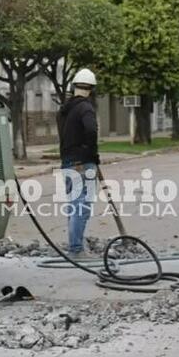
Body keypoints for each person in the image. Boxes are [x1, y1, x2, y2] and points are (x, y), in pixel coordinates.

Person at [57, 68, 99, 258]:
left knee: (74, 205)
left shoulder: (63, 111)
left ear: (74, 87)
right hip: (83, 163)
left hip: (67, 162)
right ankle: (76, 249)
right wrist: (91, 153)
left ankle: (76, 244)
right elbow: (90, 130)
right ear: (91, 88)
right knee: (82, 206)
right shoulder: (86, 108)